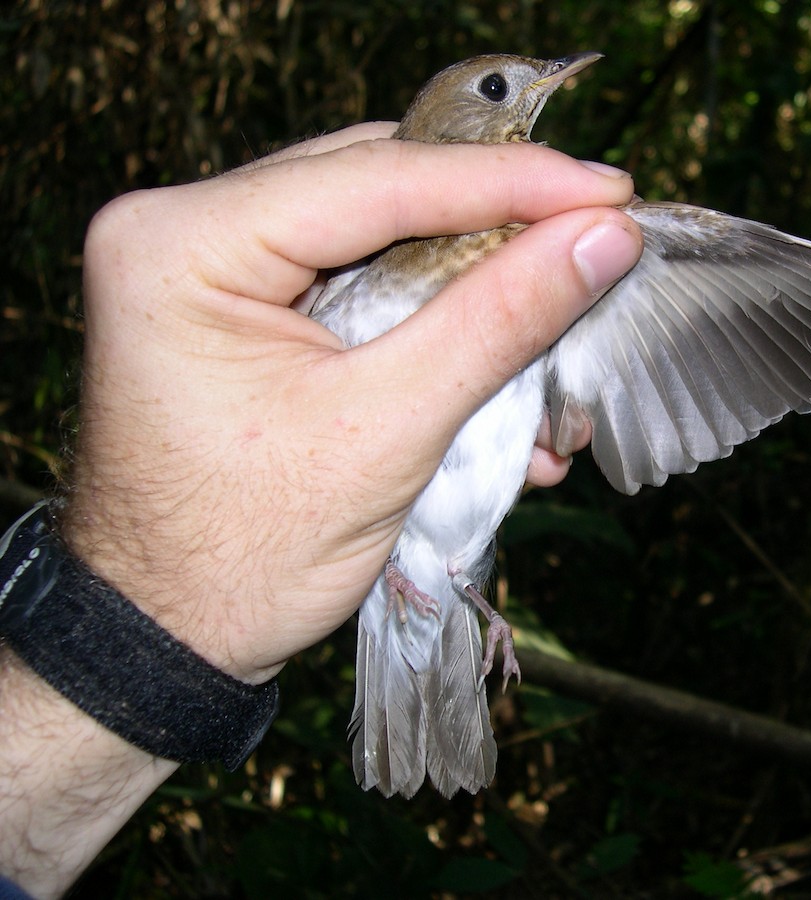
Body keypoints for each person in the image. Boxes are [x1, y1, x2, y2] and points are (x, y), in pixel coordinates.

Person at [0, 122, 643, 899]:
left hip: (452, 555)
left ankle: (464, 598)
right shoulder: (364, 263)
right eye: (501, 89)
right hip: (390, 552)